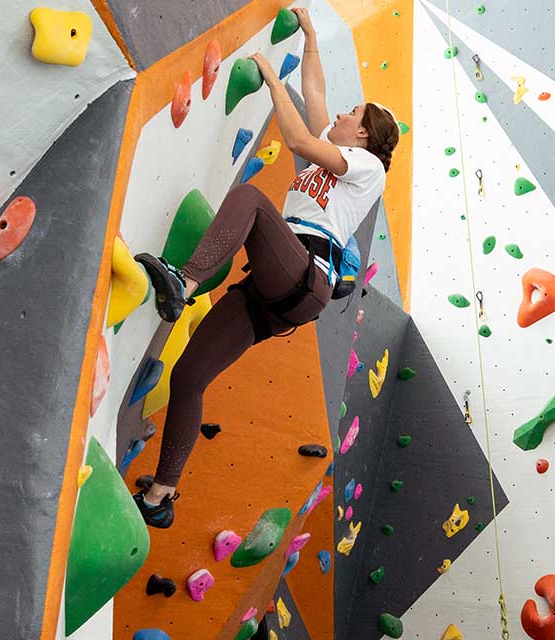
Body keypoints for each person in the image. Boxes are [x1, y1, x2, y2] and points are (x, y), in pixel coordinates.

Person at [131, 8, 402, 528]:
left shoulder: (368, 168)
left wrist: (273, 79)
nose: (341, 114)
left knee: (253, 199)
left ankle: (182, 282)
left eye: (353, 114)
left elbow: (299, 139)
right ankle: (162, 496)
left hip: (305, 275)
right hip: (276, 288)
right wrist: (311, 37)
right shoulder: (339, 152)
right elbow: (317, 96)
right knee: (189, 376)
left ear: (365, 135)